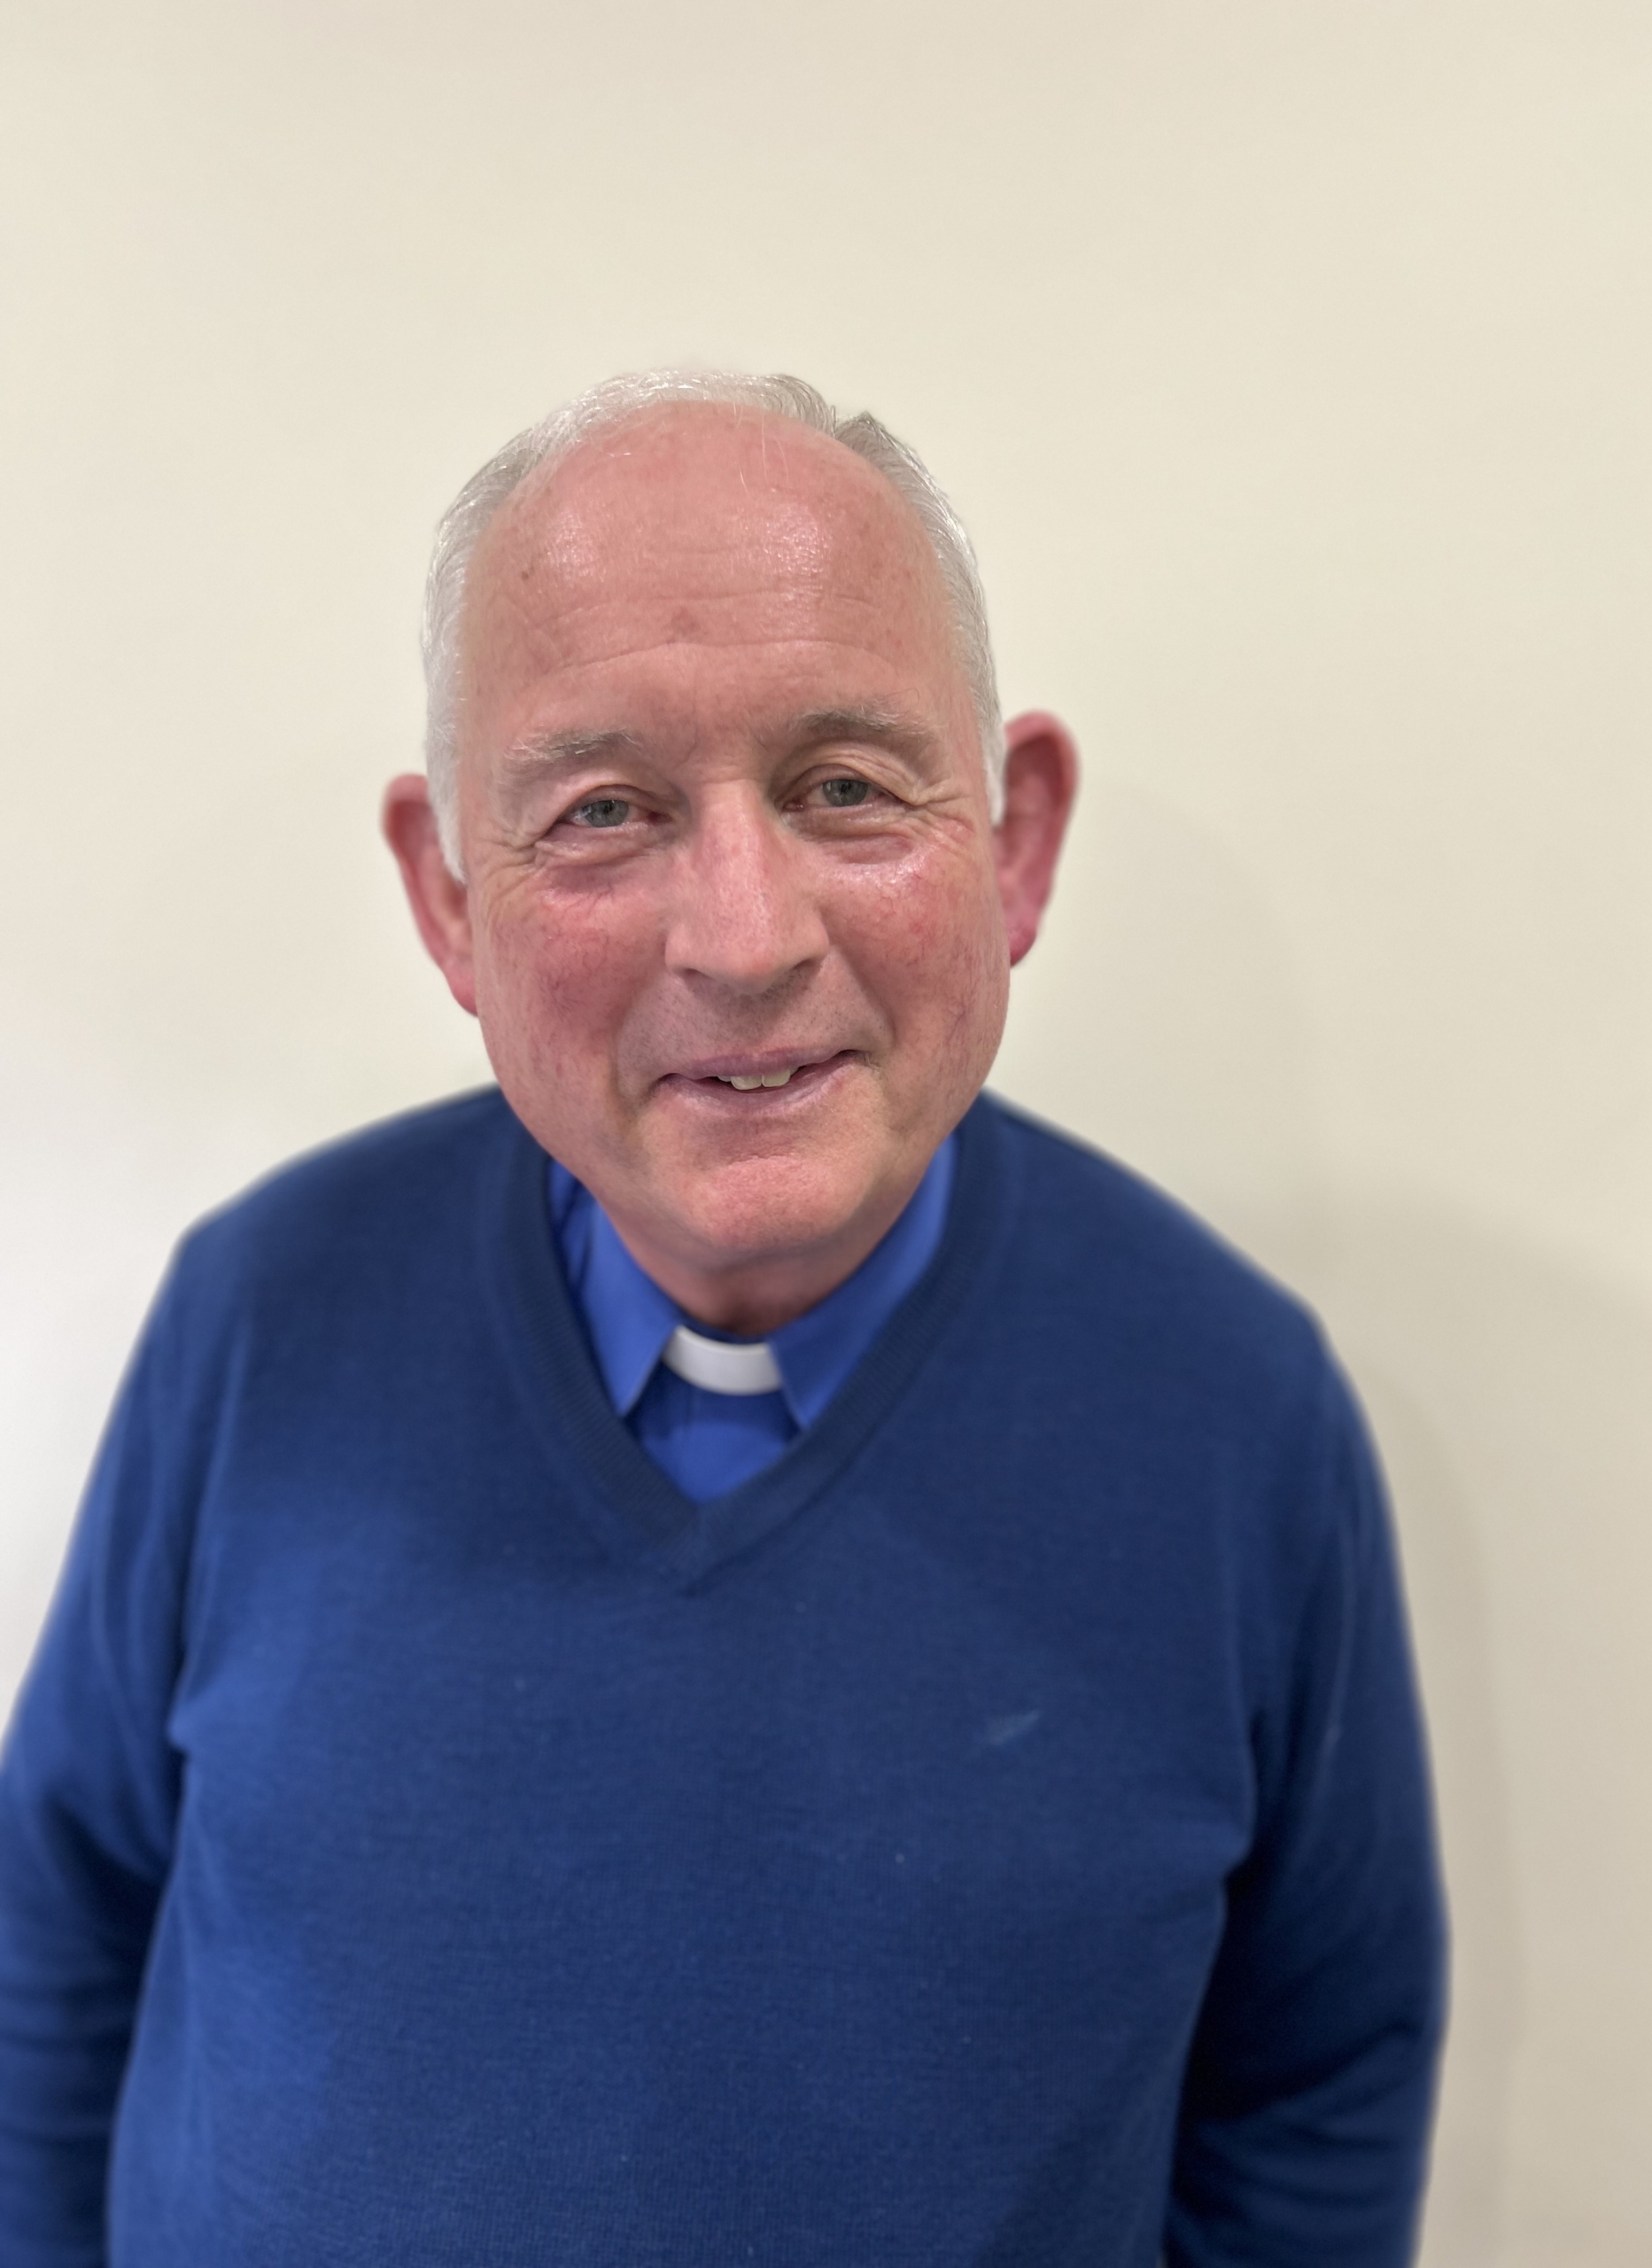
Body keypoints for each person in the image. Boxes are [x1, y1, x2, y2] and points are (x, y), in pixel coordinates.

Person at [0, 370, 1445, 2266]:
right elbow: (54, 1931)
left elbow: (1316, 2081)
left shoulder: (1238, 1415)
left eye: (845, 786)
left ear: (1013, 844)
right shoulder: (262, 1316)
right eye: (606, 811)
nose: (746, 937)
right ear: (451, 901)